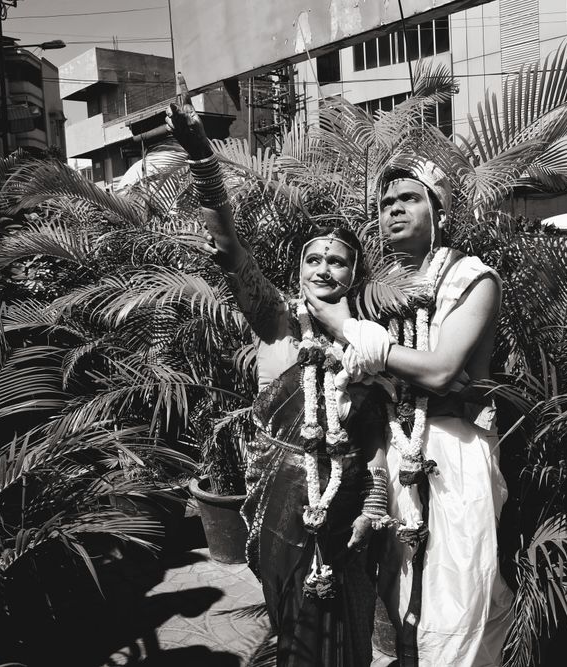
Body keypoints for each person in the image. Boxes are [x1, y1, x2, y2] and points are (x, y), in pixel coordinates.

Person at [166, 96, 390, 666]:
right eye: (312, 259)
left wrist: (377, 502)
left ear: (354, 273)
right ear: (296, 271)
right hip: (281, 502)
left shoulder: (367, 338)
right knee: (294, 628)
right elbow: (227, 249)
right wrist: (201, 157)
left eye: (337, 261)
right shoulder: (276, 323)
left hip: (348, 500)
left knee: (350, 623)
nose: (323, 269)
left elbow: (382, 433)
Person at [304, 157, 515, 666]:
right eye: (385, 203)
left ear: (438, 209)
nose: (394, 209)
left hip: (451, 455)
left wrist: (350, 330)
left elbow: (442, 373)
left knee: (456, 598)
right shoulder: (376, 291)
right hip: (388, 455)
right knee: (397, 600)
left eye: (409, 198)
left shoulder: (472, 277)